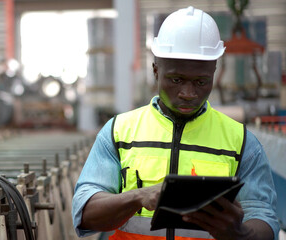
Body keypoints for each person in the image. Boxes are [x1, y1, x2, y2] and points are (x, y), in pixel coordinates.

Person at [72, 6, 279, 240]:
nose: (188, 93)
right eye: (176, 79)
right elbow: (85, 213)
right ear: (156, 71)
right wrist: (138, 197)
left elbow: (265, 219)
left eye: (201, 82)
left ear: (214, 72)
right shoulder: (119, 132)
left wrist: (240, 234)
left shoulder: (242, 142)